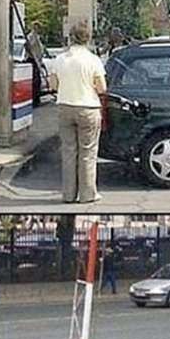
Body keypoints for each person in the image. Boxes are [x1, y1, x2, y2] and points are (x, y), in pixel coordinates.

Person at [50, 21, 107, 204]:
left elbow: (53, 85)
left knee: (68, 152)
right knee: (88, 152)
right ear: (88, 38)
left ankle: (68, 195)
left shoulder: (59, 60)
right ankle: (88, 194)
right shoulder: (93, 60)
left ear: (70, 38)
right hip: (88, 108)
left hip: (65, 107)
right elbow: (101, 88)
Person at [25, 22, 45, 107]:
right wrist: (31, 54)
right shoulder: (32, 36)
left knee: (37, 81)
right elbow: (27, 45)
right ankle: (34, 100)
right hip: (33, 60)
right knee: (35, 81)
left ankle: (36, 99)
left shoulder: (37, 37)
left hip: (37, 60)